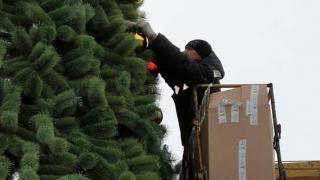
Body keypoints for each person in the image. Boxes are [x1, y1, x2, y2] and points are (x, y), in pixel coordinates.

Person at [137, 20, 225, 179]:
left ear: (199, 54)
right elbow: (176, 72)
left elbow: (184, 65)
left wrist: (154, 37)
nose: (185, 51)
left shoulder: (209, 75)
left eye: (189, 49)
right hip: (192, 138)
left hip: (204, 137)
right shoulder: (189, 81)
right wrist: (151, 51)